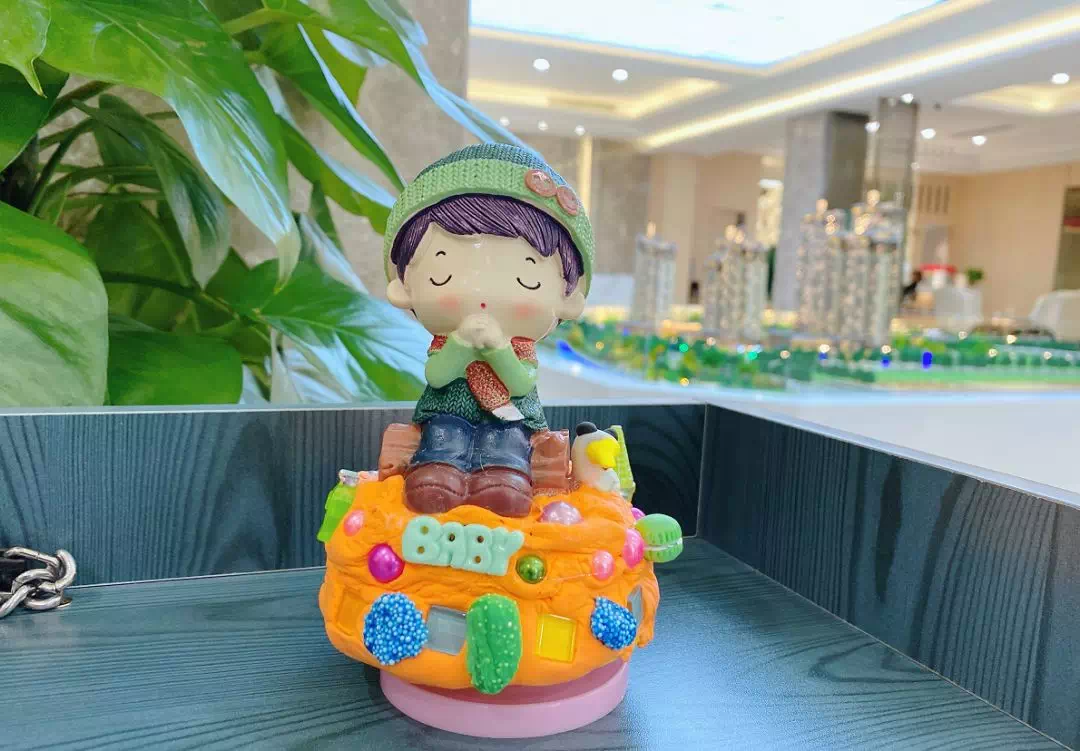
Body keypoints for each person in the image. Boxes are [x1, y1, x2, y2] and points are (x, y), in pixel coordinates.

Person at [383, 144, 594, 518]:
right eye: (444, 274)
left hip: (510, 418)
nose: (482, 293)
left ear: (568, 300)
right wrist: (461, 345)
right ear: (404, 288)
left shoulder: (521, 348)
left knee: (506, 444)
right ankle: (437, 474)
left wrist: (497, 349)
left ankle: (503, 479)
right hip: (446, 413)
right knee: (443, 438)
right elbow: (437, 375)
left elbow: (520, 384)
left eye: (526, 278)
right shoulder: (445, 340)